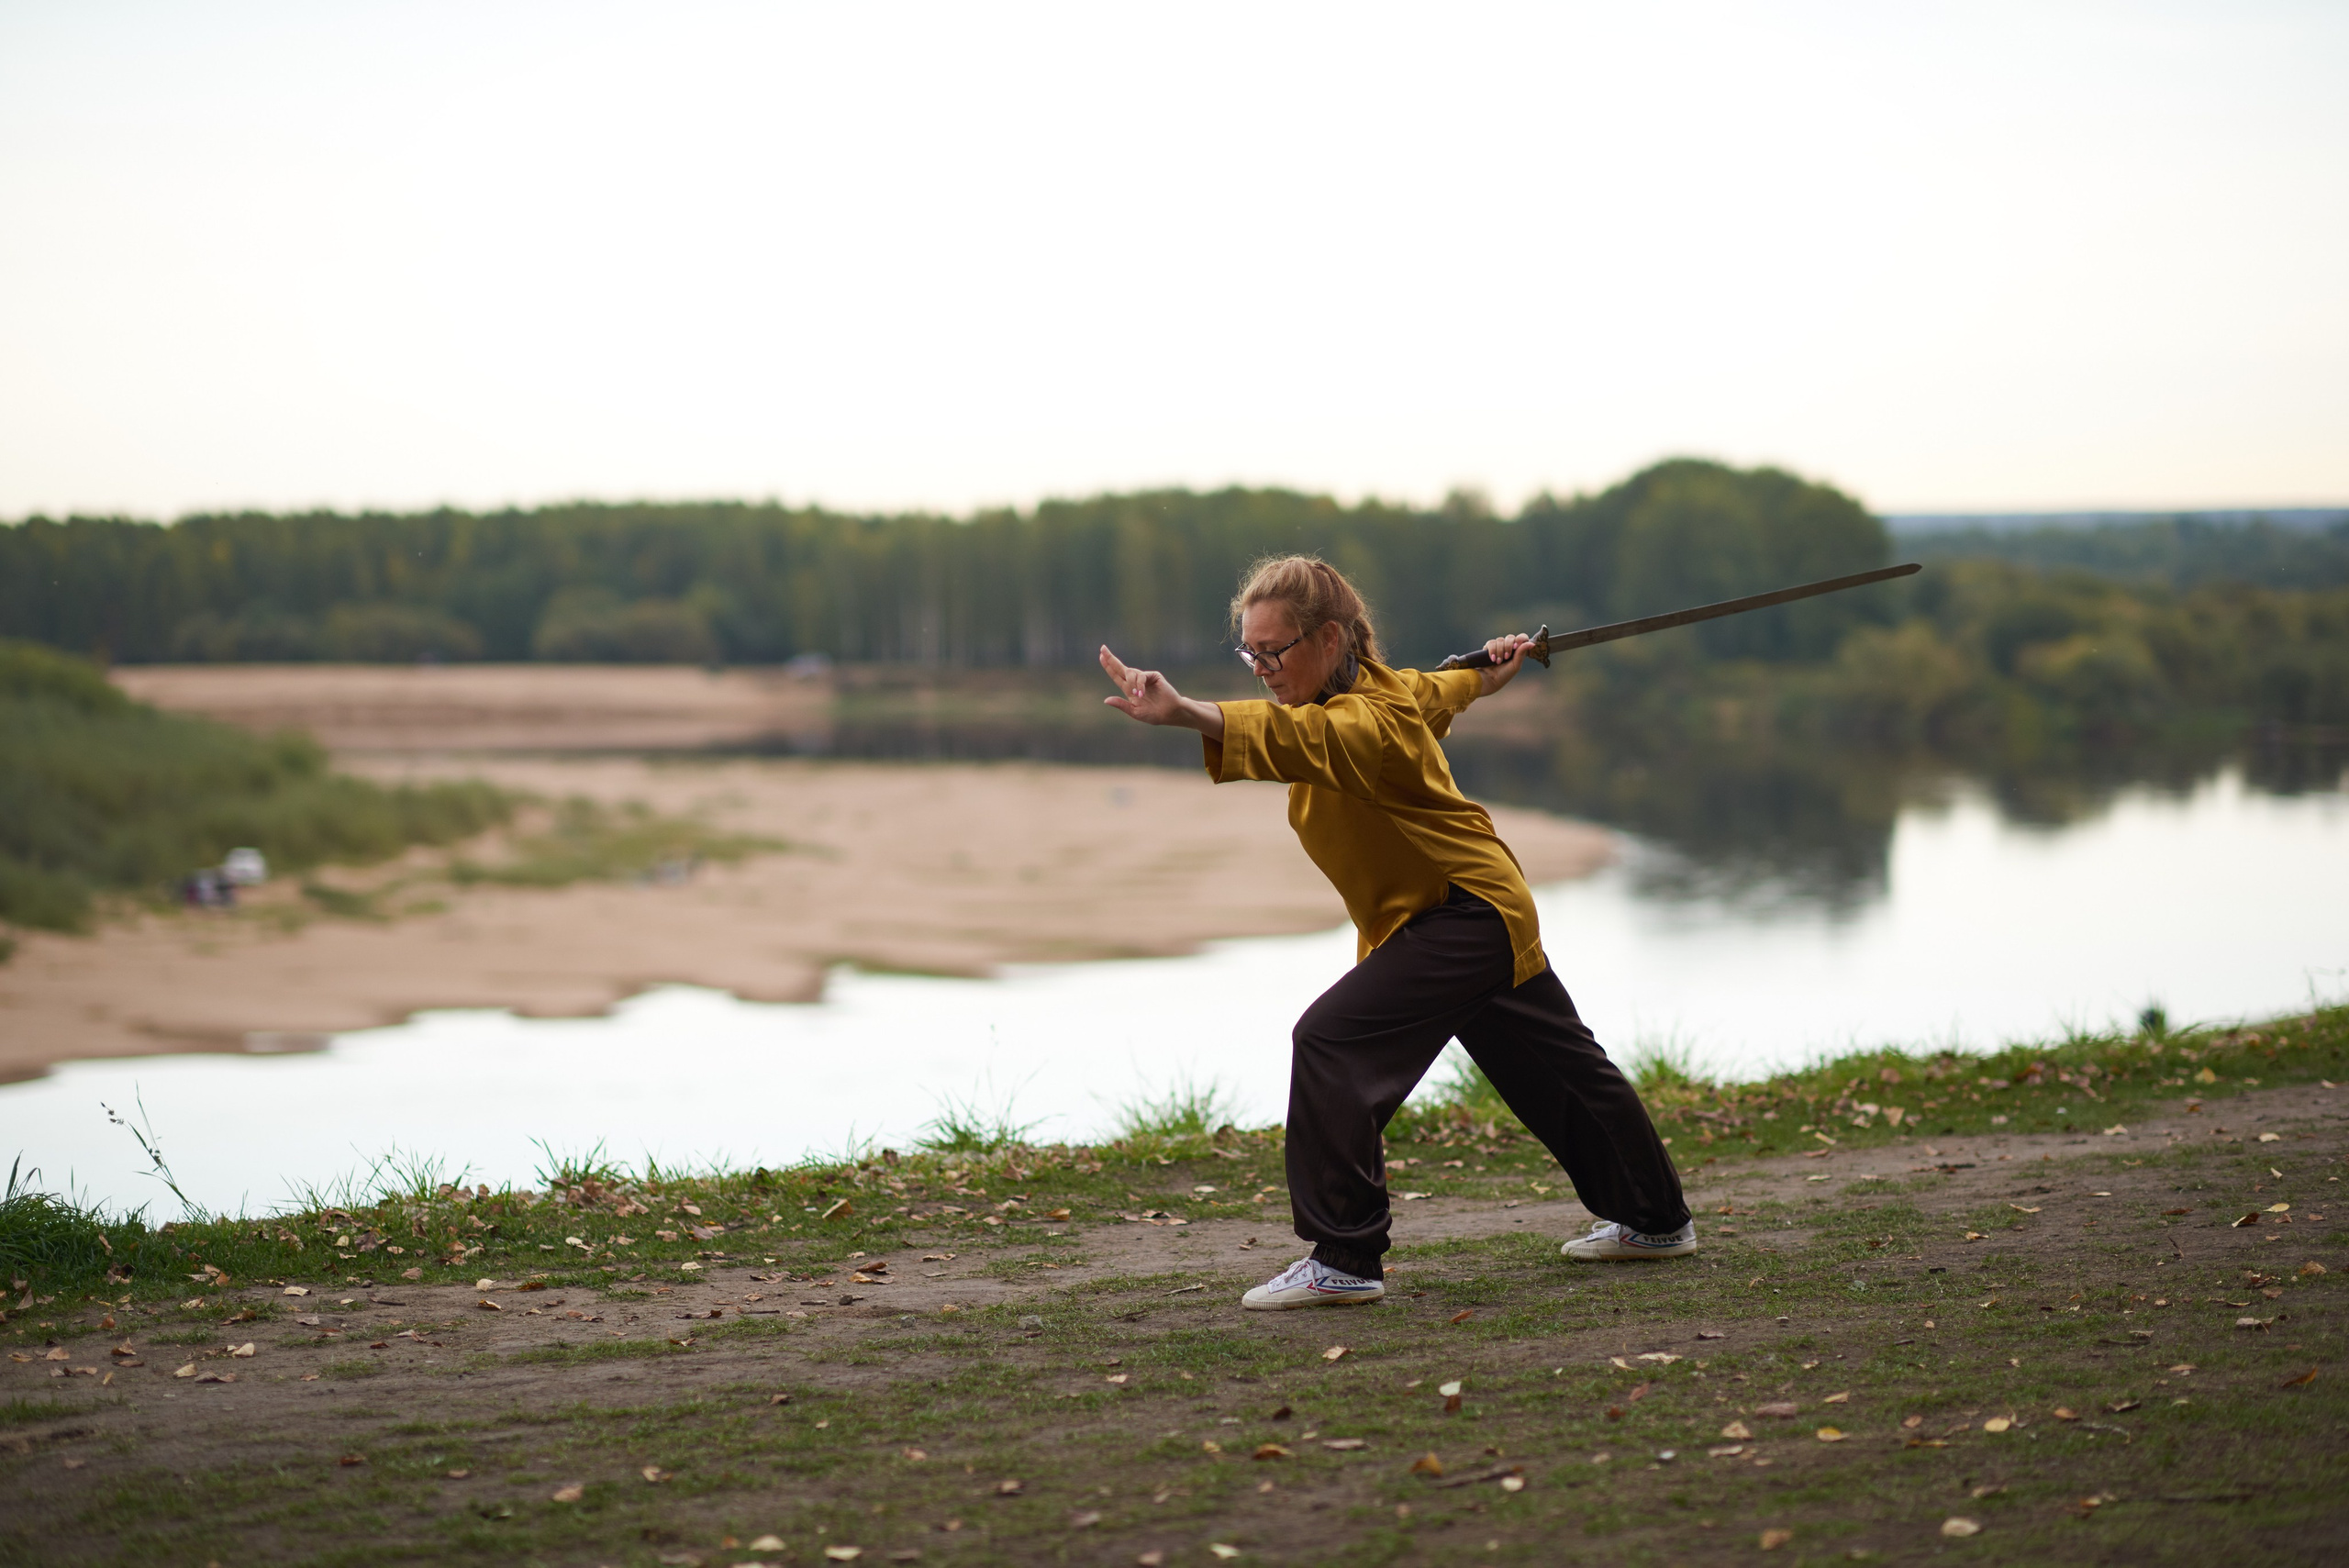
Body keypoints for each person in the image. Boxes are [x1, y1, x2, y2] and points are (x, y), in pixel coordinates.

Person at [1097, 555, 1693, 1310]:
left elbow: (1296, 739)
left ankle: (1345, 1255)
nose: (1262, 669)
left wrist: (1186, 711)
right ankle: (1657, 1220)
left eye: (1275, 650)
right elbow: (1441, 688)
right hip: (1472, 911)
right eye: (1251, 652)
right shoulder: (1389, 691)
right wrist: (1489, 670)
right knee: (1561, 1071)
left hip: (1464, 912)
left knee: (1331, 1040)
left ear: (1329, 637)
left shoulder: (1361, 718)